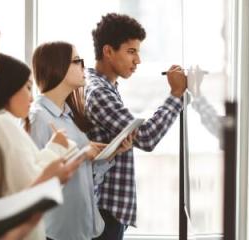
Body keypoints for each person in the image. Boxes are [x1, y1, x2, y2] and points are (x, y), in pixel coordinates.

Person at [84, 13, 187, 239]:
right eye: (131, 51)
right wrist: (176, 94)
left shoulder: (106, 87)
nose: (138, 60)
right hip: (104, 214)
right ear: (108, 51)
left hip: (108, 212)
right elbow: (147, 138)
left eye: (138, 52)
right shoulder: (99, 92)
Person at [29, 41, 132, 240]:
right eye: (77, 61)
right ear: (57, 67)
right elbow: (34, 181)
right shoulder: (39, 118)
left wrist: (108, 155)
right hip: (56, 233)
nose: (83, 66)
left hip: (82, 230)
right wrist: (83, 154)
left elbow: (85, 176)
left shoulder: (69, 117)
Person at [0, 53, 83, 240]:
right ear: (8, 88)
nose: (32, 96)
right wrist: (56, 157)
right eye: (27, 88)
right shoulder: (2, 124)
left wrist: (54, 148)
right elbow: (26, 191)